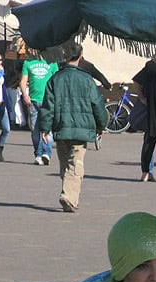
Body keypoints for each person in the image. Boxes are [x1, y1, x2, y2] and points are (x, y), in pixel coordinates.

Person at [39, 42, 108, 213]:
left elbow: (48, 106)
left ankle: (68, 193)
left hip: (62, 128)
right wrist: (101, 125)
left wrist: (44, 128)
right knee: (75, 164)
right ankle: (68, 196)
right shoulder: (87, 80)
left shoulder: (55, 79)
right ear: (80, 57)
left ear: (64, 57)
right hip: (82, 129)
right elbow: (97, 104)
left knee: (65, 164)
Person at [20, 49, 58, 165]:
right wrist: (25, 94)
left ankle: (46, 153)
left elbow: (56, 80)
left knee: (47, 129)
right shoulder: (28, 62)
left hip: (48, 100)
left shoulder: (52, 63)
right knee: (35, 130)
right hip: (33, 100)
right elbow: (23, 81)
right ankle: (38, 153)